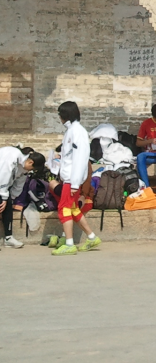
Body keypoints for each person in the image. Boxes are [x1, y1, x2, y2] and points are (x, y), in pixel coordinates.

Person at [52, 101, 101, 255]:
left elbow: (80, 159)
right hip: (69, 178)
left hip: (72, 180)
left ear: (65, 115)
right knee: (72, 209)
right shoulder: (72, 131)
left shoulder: (77, 132)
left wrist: (74, 183)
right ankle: (92, 237)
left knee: (64, 209)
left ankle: (69, 243)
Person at [0, 147, 45, 249]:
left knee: (7, 204)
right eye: (33, 168)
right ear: (30, 162)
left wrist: (10, 198)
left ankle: (8, 238)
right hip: (1, 182)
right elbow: (3, 176)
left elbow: (18, 185)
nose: (31, 171)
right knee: (2, 202)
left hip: (3, 186)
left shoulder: (24, 168)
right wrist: (3, 197)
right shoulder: (12, 158)